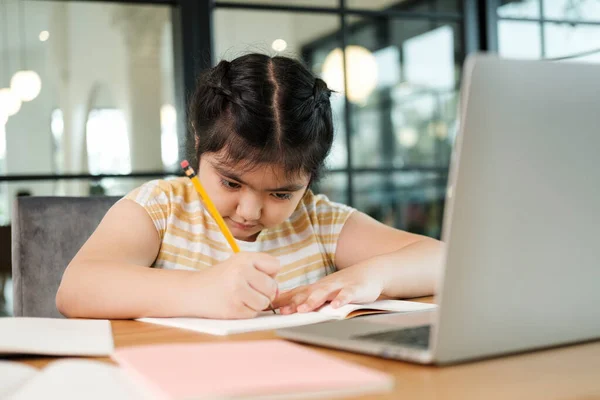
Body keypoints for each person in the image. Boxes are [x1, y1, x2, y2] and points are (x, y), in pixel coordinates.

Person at [56, 53, 443, 320]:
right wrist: (200, 290)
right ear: (197, 142)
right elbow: (76, 288)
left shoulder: (319, 222)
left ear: (311, 177)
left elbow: (446, 263)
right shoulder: (161, 209)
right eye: (229, 182)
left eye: (281, 194)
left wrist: (368, 277)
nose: (249, 211)